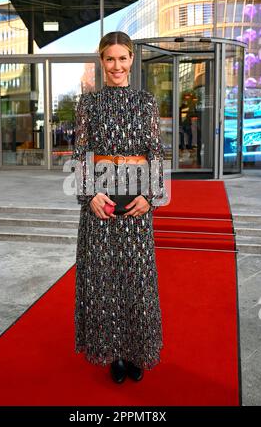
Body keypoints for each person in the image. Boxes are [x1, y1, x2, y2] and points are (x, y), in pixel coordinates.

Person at [70, 31, 168, 384]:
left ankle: (136, 350)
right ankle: (113, 353)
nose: (116, 66)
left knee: (137, 281)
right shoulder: (89, 105)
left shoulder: (146, 103)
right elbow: (81, 155)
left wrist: (151, 197)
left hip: (137, 207)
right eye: (110, 59)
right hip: (100, 208)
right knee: (104, 282)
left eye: (122, 58)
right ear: (102, 61)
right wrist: (89, 196)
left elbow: (155, 151)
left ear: (131, 59)